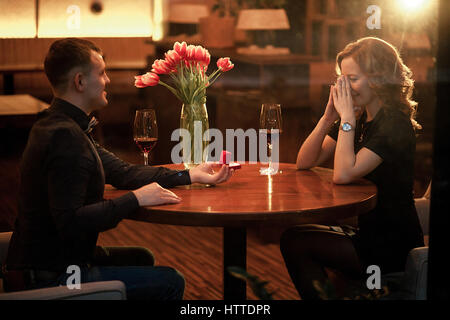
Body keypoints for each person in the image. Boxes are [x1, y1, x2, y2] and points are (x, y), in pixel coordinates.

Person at [3, 38, 233, 300]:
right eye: (101, 73)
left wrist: (190, 174)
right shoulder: (64, 137)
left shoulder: (60, 123)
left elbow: (124, 173)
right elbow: (70, 222)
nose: (108, 80)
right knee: (171, 281)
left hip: (51, 262)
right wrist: (136, 199)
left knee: (141, 257)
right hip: (52, 275)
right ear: (79, 82)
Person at [280, 37, 424, 300]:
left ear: (378, 79)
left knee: (296, 242)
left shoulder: (394, 124)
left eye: (353, 78)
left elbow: (344, 174)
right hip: (367, 232)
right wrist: (328, 118)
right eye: (341, 79)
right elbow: (305, 161)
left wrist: (346, 118)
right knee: (295, 235)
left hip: (390, 245)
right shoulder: (359, 117)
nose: (345, 87)